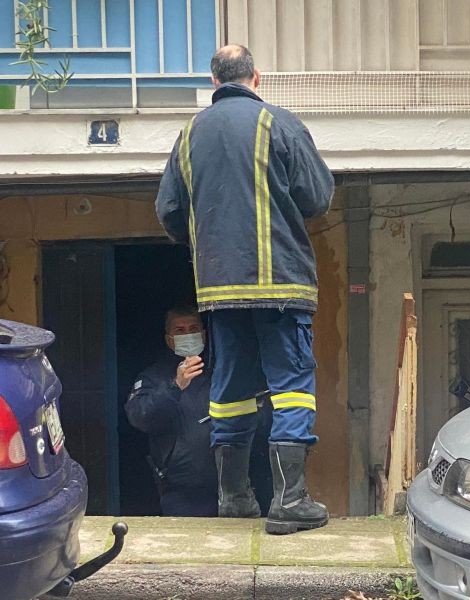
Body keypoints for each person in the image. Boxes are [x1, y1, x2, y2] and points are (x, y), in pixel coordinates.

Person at [155, 45, 334, 534]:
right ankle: (289, 500)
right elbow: (317, 197)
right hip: (280, 284)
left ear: (214, 81)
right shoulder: (279, 123)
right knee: (292, 386)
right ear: (258, 77)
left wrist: (209, 241)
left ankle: (233, 497)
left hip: (219, 288)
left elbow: (169, 211)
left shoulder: (189, 134)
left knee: (230, 389)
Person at [125, 306, 218, 517]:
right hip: (183, 492)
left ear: (203, 335)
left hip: (232, 487)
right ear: (169, 340)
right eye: (180, 330)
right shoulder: (153, 376)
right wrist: (176, 385)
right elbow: (140, 417)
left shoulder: (222, 371)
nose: (188, 334)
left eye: (193, 329)